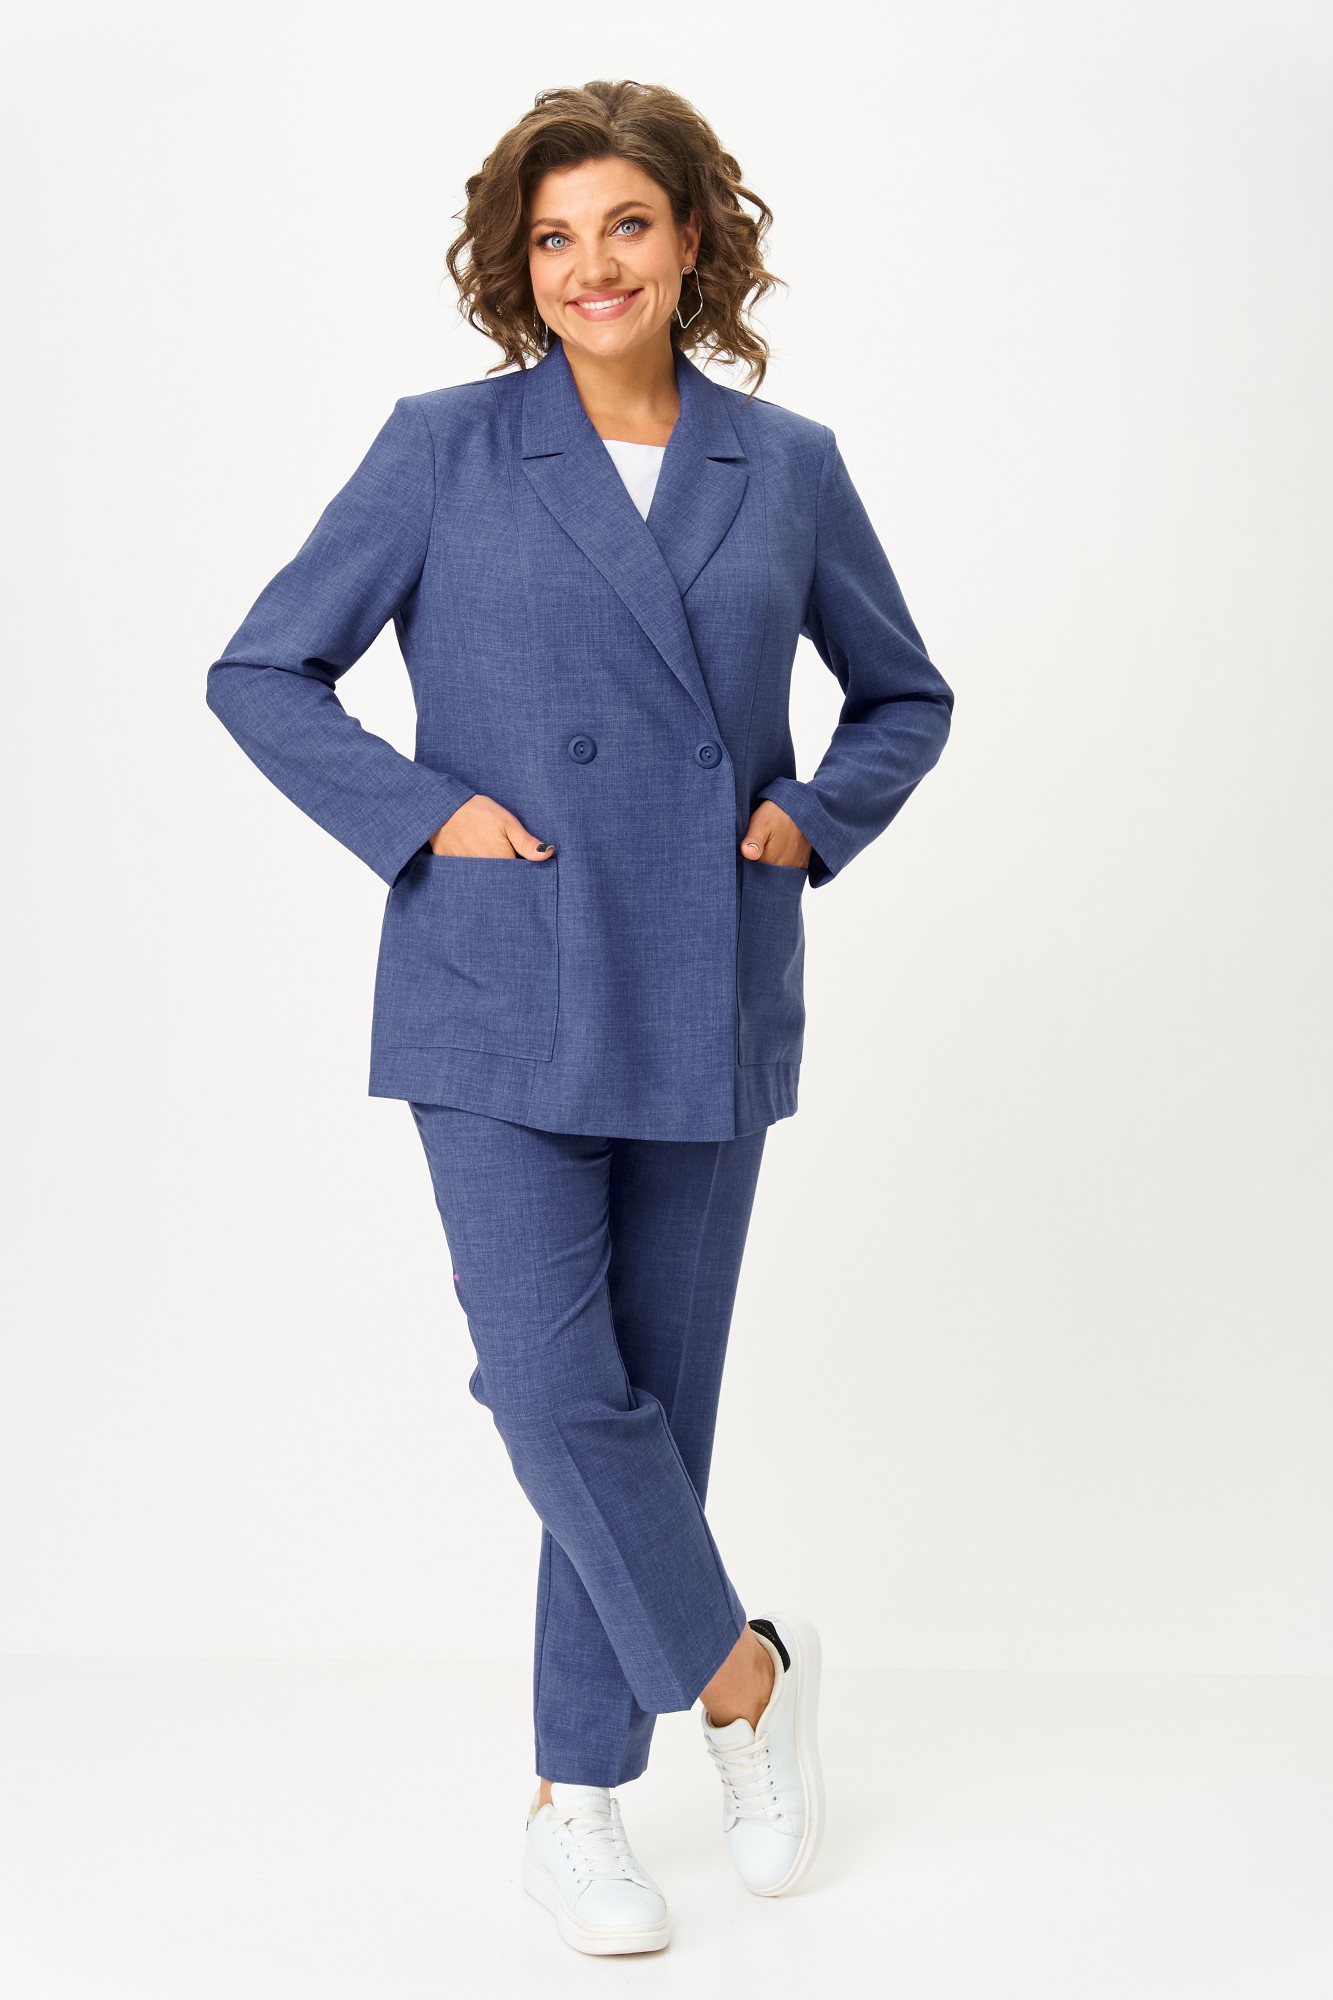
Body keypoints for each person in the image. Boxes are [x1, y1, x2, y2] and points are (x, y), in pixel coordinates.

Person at [205, 77, 954, 1957]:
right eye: (551, 237)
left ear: (692, 240)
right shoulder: (443, 448)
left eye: (624, 224)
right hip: (497, 974)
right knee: (552, 1388)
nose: (588, 265)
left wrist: (810, 820)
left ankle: (573, 1802)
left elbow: (903, 696)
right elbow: (263, 667)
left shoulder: (785, 465)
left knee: (649, 1412)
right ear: (515, 265)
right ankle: (744, 1681)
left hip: (703, 975)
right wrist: (422, 817)